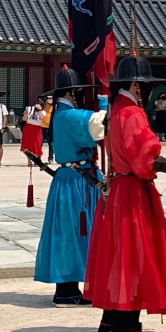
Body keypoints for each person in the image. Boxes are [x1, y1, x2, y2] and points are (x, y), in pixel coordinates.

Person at [84, 54, 166, 332]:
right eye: (144, 86)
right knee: (133, 254)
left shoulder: (114, 110)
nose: (146, 92)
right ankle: (126, 324)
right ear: (136, 85)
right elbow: (145, 158)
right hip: (133, 191)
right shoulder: (133, 114)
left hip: (116, 188)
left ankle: (112, 316)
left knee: (117, 252)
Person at [34, 68, 106, 305]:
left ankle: (67, 288)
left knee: (67, 232)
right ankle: (68, 289)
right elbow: (100, 125)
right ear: (73, 92)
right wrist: (106, 101)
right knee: (76, 232)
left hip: (67, 178)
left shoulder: (56, 114)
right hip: (78, 181)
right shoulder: (70, 115)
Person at [40, 95, 54, 161]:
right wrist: (47, 97)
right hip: (42, 127)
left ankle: (50, 158)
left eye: (51, 98)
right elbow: (42, 99)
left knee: (51, 144)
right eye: (49, 99)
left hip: (50, 127)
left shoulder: (54, 107)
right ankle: (38, 157)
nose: (50, 100)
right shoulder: (43, 105)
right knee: (40, 143)